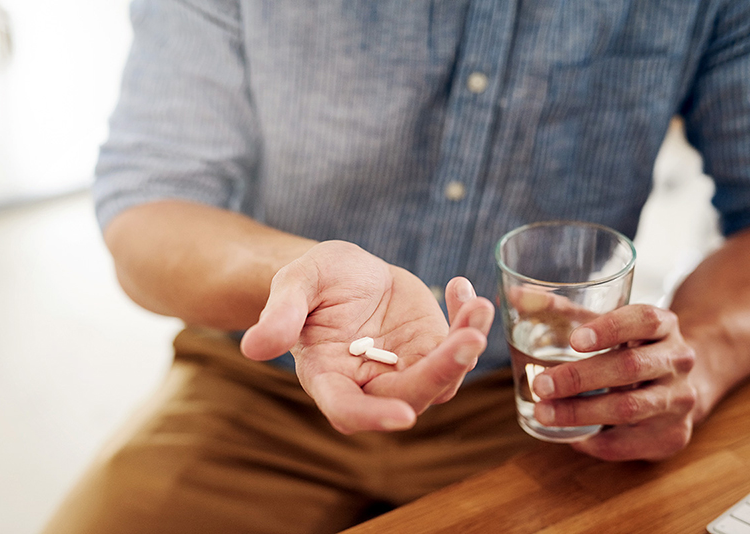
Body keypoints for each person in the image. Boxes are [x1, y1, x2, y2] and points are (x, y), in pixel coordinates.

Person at [43, 1, 750, 533]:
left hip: (542, 400)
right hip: (257, 388)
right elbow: (152, 207)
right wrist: (298, 274)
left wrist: (705, 349)